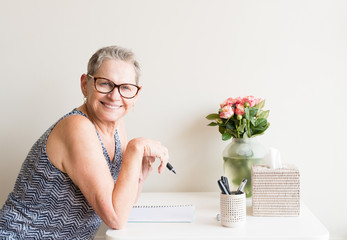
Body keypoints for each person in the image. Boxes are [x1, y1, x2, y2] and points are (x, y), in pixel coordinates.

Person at [0, 46, 169, 239]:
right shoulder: (76, 126)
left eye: (125, 88)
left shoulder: (116, 125)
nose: (115, 96)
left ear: (136, 95)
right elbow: (116, 218)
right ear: (84, 84)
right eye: (105, 84)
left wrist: (139, 176)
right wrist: (135, 147)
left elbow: (123, 206)